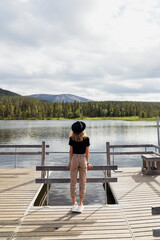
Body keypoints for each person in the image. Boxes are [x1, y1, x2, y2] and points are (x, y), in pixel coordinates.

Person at [66, 121, 93, 213]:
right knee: (82, 182)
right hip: (83, 159)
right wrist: (87, 162)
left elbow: (70, 151)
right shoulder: (86, 139)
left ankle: (74, 205)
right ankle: (80, 205)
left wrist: (70, 163)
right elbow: (87, 152)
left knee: (73, 182)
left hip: (74, 159)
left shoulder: (71, 138)